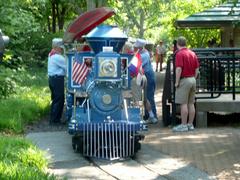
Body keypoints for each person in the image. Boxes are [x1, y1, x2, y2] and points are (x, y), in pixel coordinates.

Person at [173, 36, 199, 132]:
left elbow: (179, 69)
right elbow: (197, 69)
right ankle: (190, 124)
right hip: (193, 79)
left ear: (177, 44)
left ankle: (183, 125)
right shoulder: (192, 53)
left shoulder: (179, 54)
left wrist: (176, 82)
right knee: (191, 103)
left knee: (183, 104)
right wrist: (194, 78)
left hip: (184, 80)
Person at [134, 39, 158, 124]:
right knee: (147, 97)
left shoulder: (143, 55)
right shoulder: (145, 52)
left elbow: (138, 67)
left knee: (149, 97)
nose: (134, 48)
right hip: (148, 76)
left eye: (136, 47)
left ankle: (153, 116)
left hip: (148, 76)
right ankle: (149, 115)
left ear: (139, 47)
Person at [48, 38, 66, 124]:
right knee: (59, 99)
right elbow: (67, 66)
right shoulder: (57, 57)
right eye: (61, 48)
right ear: (56, 47)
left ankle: (54, 118)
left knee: (56, 99)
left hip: (53, 79)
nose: (62, 49)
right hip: (57, 79)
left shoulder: (51, 54)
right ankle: (54, 120)